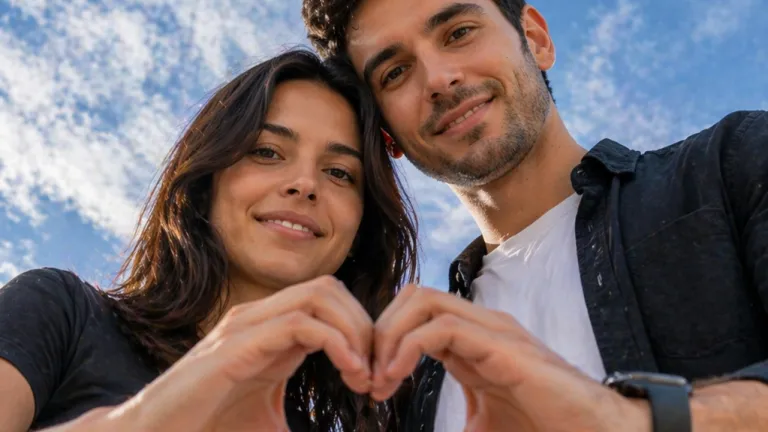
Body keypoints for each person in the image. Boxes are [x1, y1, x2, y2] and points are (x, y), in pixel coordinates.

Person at [301, 0, 768, 430]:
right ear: (387, 136)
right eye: (396, 72)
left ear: (536, 38)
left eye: (459, 32)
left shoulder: (734, 165)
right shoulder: (414, 380)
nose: (439, 78)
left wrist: (631, 419)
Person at [0, 49, 419, 432]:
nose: (306, 184)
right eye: (268, 152)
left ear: (361, 229)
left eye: (340, 173)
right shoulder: (60, 314)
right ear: (207, 181)